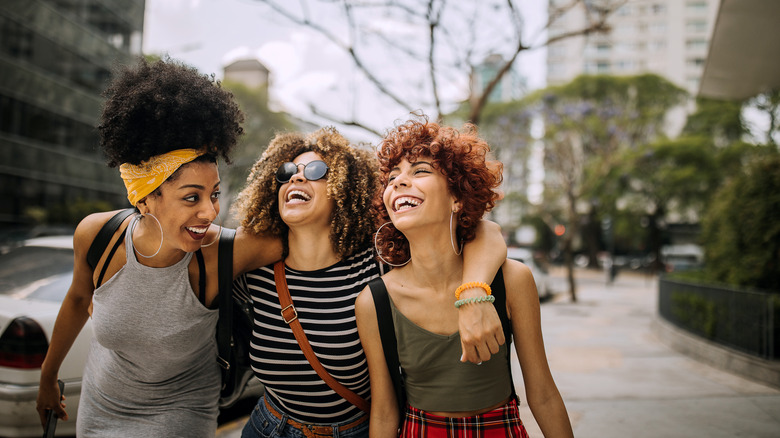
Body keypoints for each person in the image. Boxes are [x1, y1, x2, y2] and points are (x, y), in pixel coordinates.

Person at [35, 58, 283, 437]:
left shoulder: (224, 253)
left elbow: (307, 238)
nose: (210, 211)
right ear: (146, 199)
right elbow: (75, 301)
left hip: (181, 413)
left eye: (214, 194)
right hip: (99, 408)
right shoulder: (97, 236)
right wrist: (47, 378)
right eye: (191, 197)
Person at [232, 127, 508, 438]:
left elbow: (487, 232)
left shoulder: (379, 262)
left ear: (344, 186)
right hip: (268, 427)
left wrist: (474, 293)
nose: (296, 178)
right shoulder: (256, 273)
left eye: (315, 170)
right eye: (286, 172)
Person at [355, 118, 574, 437]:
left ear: (458, 198)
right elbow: (386, 412)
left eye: (420, 171)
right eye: (392, 177)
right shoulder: (373, 301)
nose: (399, 182)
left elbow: (542, 394)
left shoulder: (512, 280)